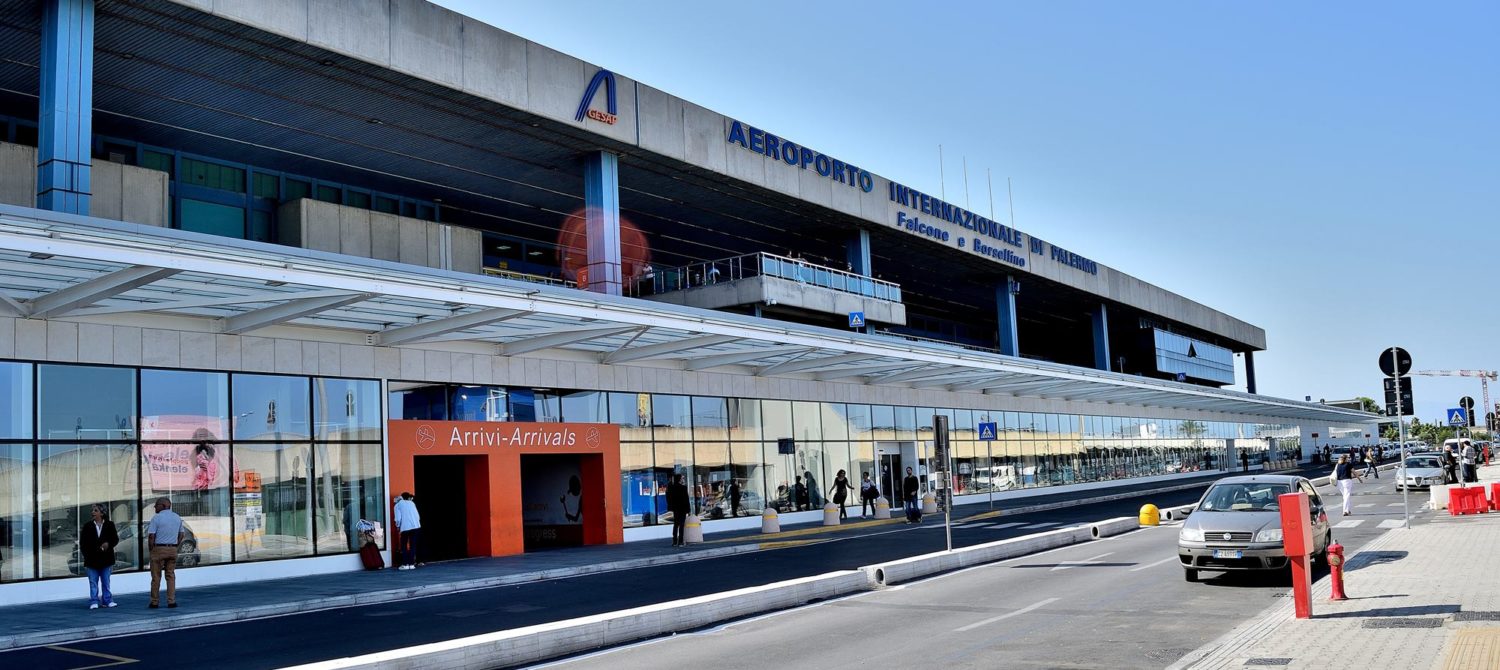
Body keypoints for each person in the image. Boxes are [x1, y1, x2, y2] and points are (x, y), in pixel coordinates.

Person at [146, 497, 184, 608]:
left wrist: (151, 549)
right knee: (170, 575)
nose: (155, 507)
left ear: (163, 505)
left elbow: (151, 536)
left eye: (156, 505)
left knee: (156, 577)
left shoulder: (156, 518)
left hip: (158, 549)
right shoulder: (177, 517)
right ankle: (171, 601)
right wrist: (176, 544)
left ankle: (154, 602)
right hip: (172, 549)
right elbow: (182, 534)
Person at [80, 503, 119, 610]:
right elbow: (83, 543)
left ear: (102, 513)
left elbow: (115, 539)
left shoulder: (109, 524)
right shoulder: (88, 526)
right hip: (91, 559)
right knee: (93, 582)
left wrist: (108, 544)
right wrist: (86, 555)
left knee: (106, 581)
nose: (93, 512)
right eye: (93, 510)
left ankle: (108, 600)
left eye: (96, 510)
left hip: (106, 558)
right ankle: (94, 601)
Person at [393, 492, 422, 570]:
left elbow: (398, 518)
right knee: (413, 546)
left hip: (405, 527)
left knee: (404, 546)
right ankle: (412, 564)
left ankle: (405, 564)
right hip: (415, 527)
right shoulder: (412, 503)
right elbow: (417, 516)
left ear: (401, 497)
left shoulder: (398, 505)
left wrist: (398, 526)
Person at [666, 473, 690, 547]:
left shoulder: (671, 488)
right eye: (682, 478)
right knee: (681, 525)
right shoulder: (683, 488)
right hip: (682, 508)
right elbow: (686, 499)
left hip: (675, 508)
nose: (683, 479)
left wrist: (671, 506)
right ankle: (680, 541)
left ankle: (674, 541)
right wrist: (688, 509)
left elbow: (668, 497)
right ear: (680, 479)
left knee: (676, 524)